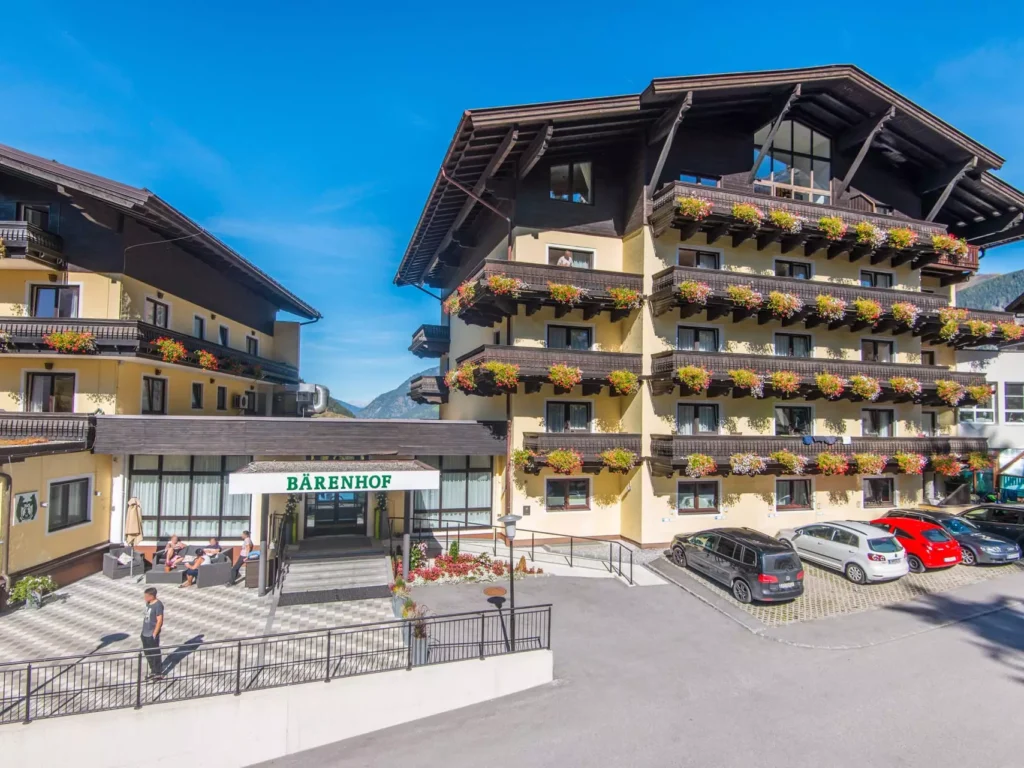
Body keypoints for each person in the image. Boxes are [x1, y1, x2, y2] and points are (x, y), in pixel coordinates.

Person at [141, 587, 164, 678]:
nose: (145, 598)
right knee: (148, 653)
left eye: (146, 596)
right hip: (144, 633)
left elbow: (159, 620)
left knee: (155, 653)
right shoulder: (148, 603)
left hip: (152, 633)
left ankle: (158, 673)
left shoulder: (158, 605)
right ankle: (153, 671)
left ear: (152, 596)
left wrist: (154, 633)